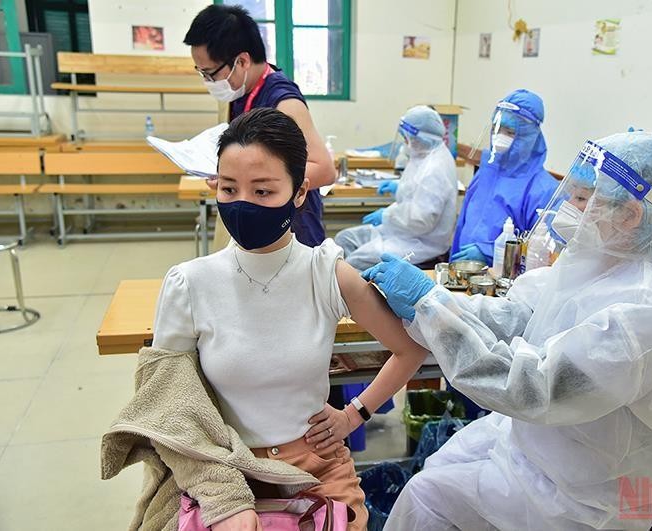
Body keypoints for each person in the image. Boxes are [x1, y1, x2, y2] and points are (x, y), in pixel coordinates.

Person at [105, 109, 430, 531]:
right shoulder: (190, 283)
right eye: (229, 188)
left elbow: (410, 348)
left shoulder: (326, 273)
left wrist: (354, 414)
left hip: (318, 470)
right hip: (225, 470)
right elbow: (169, 408)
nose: (243, 204)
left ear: (299, 193)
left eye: (262, 191)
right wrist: (222, 496)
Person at [364, 131, 652, 530]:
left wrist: (431, 311)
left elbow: (533, 388)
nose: (569, 209)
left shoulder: (645, 311)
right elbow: (516, 315)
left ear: (630, 215)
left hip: (586, 493)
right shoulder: (597, 261)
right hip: (539, 446)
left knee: (426, 499)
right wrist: (434, 301)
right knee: (432, 478)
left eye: (581, 199)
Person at [184, 4, 335, 249]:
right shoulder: (241, 92)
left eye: (211, 74)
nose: (208, 82)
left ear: (242, 61)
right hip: (259, 218)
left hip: (290, 228)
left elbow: (325, 170)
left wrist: (241, 182)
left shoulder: (284, 101)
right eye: (201, 73)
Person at [335, 105, 458, 270]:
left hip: (422, 246)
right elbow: (418, 189)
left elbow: (421, 219)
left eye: (406, 137)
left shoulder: (435, 169)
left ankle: (361, 295)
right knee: (345, 239)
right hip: (403, 233)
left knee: (355, 262)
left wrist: (386, 215)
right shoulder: (424, 154)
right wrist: (398, 186)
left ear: (420, 137)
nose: (405, 142)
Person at [450, 89, 558, 264]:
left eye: (509, 131)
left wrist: (490, 252)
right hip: (463, 274)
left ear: (529, 136)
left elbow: (542, 252)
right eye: (496, 128)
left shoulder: (544, 190)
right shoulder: (486, 174)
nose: (499, 137)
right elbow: (463, 225)